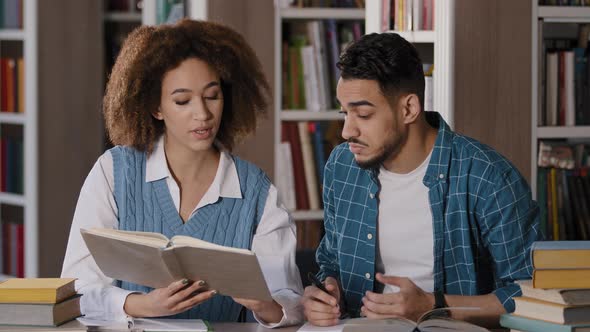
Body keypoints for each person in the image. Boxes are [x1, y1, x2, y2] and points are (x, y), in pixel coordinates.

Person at [61, 19, 303, 327]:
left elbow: (291, 304)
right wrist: (140, 304)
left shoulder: (256, 191)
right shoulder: (113, 172)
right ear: (155, 107)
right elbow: (77, 288)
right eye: (182, 100)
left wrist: (266, 304)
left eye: (212, 96)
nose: (202, 114)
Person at [301, 32, 542, 327]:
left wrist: (433, 306)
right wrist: (325, 293)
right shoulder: (342, 165)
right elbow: (331, 260)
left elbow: (532, 295)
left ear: (409, 109)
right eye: (344, 113)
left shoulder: (488, 177)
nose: (347, 131)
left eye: (363, 114)